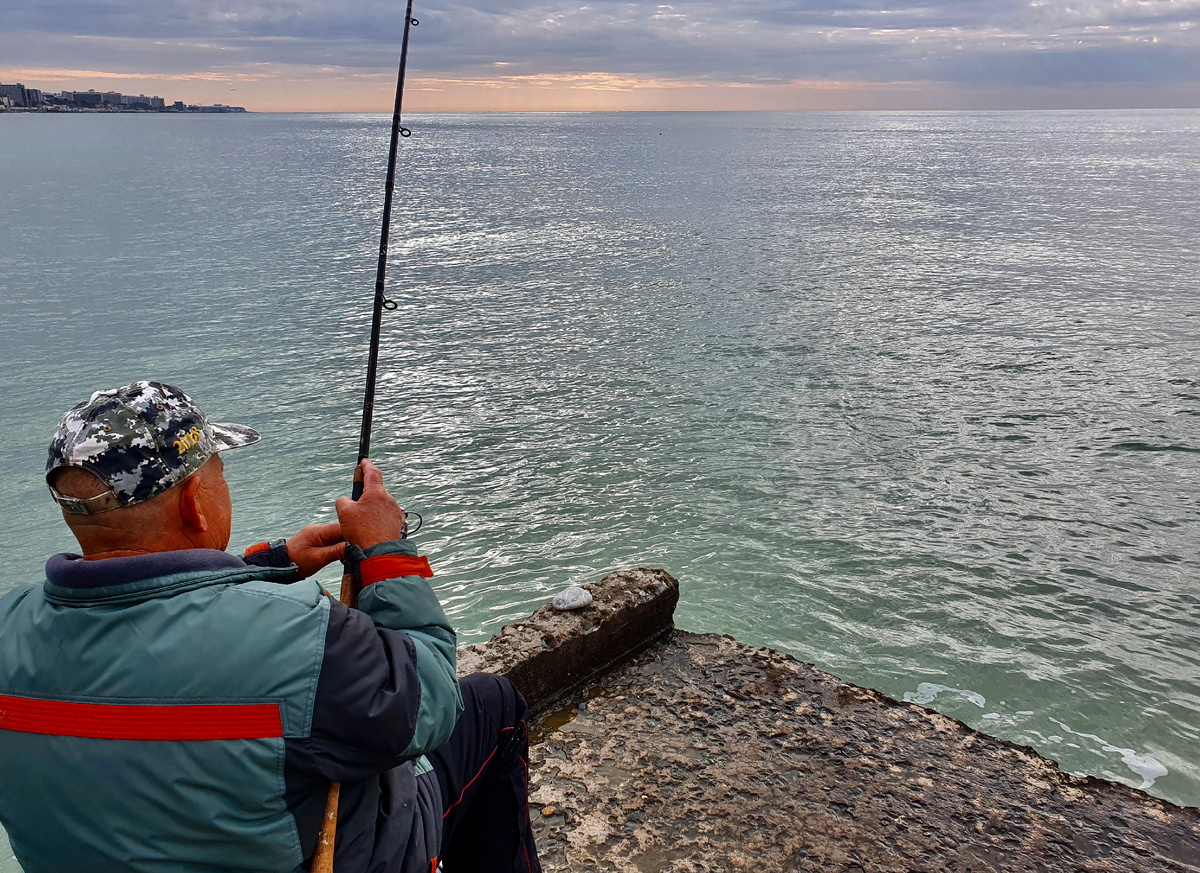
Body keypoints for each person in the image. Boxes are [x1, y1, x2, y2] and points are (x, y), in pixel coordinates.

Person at [0, 381, 542, 873]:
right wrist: (388, 554)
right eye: (219, 474)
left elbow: (146, 616)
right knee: (493, 705)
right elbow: (428, 701)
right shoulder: (299, 635)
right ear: (196, 503)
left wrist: (271, 564)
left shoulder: (8, 627)